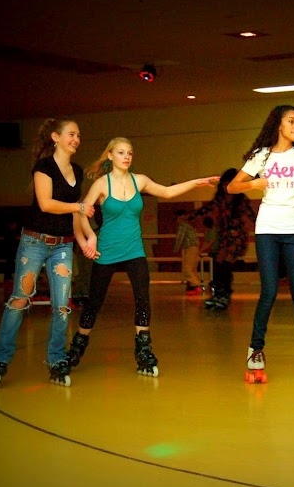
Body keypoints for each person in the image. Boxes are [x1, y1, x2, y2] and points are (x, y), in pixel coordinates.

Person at [66, 137, 218, 376]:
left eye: (129, 153)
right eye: (121, 152)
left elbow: (167, 192)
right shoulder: (101, 184)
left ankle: (144, 350)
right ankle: (76, 348)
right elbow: (81, 212)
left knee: (143, 299)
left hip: (134, 250)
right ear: (110, 156)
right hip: (107, 251)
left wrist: (196, 183)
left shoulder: (140, 181)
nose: (126, 157)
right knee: (94, 302)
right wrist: (90, 237)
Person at [226, 105, 294, 381]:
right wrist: (253, 184)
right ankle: (255, 349)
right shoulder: (261, 156)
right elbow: (232, 186)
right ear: (279, 125)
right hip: (267, 229)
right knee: (269, 291)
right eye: (291, 121)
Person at [0, 117, 93, 389]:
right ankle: (0, 359)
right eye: (71, 134)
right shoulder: (43, 167)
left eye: (78, 135)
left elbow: (74, 214)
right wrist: (79, 207)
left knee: (62, 306)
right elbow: (46, 204)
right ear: (56, 137)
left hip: (63, 245)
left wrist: (84, 239)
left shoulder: (77, 171)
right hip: (34, 242)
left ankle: (56, 360)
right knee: (19, 299)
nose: (76, 139)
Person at [189, 167, 256, 311]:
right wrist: (189, 217)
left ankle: (224, 295)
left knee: (226, 264)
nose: (227, 187)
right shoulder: (219, 199)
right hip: (224, 236)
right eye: (225, 184)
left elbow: (251, 215)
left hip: (237, 237)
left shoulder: (241, 199)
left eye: (230, 184)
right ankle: (219, 294)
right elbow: (207, 209)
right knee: (218, 264)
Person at [173, 208, 202, 295]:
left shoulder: (182, 226)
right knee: (192, 269)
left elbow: (179, 239)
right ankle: (193, 287)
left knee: (187, 269)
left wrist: (175, 249)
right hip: (195, 248)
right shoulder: (189, 226)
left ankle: (196, 284)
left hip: (189, 248)